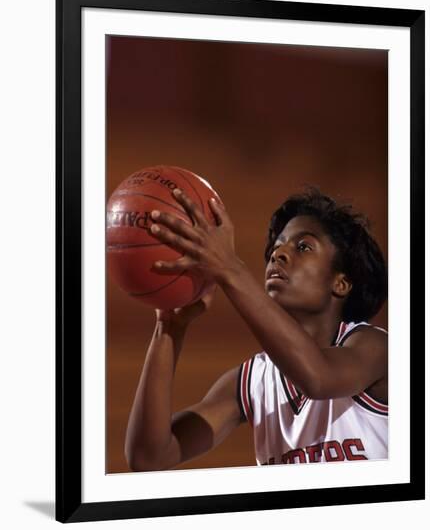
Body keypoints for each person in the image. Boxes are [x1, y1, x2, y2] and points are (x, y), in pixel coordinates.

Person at [124, 186, 388, 470]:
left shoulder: (374, 346)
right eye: (277, 247)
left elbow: (319, 378)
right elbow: (149, 457)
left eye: (303, 246)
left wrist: (229, 268)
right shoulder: (252, 380)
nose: (280, 254)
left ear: (341, 283)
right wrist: (169, 328)